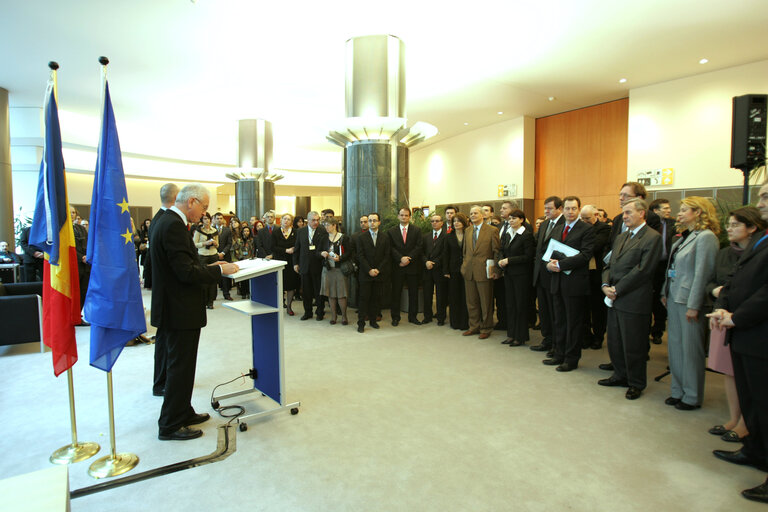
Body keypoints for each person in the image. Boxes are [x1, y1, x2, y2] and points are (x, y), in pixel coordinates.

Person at [150, 183, 239, 441]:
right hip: (178, 309)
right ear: (191, 202)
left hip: (173, 307)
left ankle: (183, 411)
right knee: (180, 367)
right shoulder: (173, 226)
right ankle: (170, 424)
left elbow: (183, 264)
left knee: (182, 366)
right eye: (204, 207)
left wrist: (211, 264)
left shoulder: (166, 221)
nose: (204, 213)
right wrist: (219, 271)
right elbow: (186, 272)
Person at [708, 181, 768, 504]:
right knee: (754, 400)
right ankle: (756, 451)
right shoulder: (761, 240)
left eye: (765, 196)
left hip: (758, 332)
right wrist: (723, 306)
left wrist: (737, 316)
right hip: (745, 333)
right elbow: (740, 279)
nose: (759, 202)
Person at [705, 207, 765, 442]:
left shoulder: (759, 249)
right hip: (723, 317)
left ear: (752, 228)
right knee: (730, 373)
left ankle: (745, 426)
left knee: (751, 383)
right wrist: (718, 299)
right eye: (728, 224)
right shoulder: (725, 253)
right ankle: (735, 418)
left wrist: (735, 314)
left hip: (746, 321)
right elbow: (723, 281)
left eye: (735, 225)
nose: (729, 229)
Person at [599, 198, 662, 399]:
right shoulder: (621, 237)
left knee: (633, 343)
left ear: (642, 213)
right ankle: (619, 374)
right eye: (623, 213)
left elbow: (643, 270)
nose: (624, 216)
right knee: (615, 340)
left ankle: (636, 382)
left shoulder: (652, 237)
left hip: (634, 298)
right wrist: (605, 285)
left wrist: (618, 288)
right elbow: (609, 264)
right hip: (614, 297)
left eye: (628, 212)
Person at [661, 196, 719, 410]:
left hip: (689, 302)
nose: (679, 213)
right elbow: (672, 268)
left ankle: (692, 396)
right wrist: (663, 292)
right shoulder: (683, 238)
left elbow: (703, 274)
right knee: (675, 348)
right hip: (674, 297)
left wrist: (694, 305)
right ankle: (677, 390)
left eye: (685, 209)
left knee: (691, 351)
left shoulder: (706, 237)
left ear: (699, 212)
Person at [545, 196, 594, 372]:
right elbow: (549, 251)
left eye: (574, 208)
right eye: (567, 208)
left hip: (574, 284)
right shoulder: (558, 229)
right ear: (563, 210)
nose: (570, 212)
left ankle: (571, 358)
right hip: (557, 281)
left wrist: (560, 265)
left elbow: (585, 255)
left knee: (573, 322)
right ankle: (559, 353)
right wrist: (549, 264)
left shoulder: (586, 229)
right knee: (559, 320)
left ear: (579, 210)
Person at [150, 182, 179, 398]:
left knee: (163, 341)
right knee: (164, 343)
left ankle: (162, 380)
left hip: (162, 293)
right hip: (168, 294)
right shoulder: (168, 222)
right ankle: (161, 383)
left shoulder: (159, 219)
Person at [530, 196, 565, 354]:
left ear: (560, 209)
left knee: (555, 311)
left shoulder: (564, 224)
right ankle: (547, 339)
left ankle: (557, 343)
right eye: (545, 208)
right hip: (541, 274)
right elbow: (539, 250)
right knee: (543, 310)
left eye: (550, 208)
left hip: (555, 274)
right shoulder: (544, 224)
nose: (546, 211)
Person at [461, 205, 500, 339]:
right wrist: (464, 266)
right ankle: (473, 326)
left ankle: (486, 327)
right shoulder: (468, 230)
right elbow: (465, 251)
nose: (472, 215)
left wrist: (495, 270)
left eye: (476, 213)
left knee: (486, 302)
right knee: (471, 301)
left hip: (484, 270)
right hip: (469, 271)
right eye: (471, 213)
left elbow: (496, 251)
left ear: (483, 215)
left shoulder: (492, 230)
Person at [498, 208, 535, 346]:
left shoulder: (526, 235)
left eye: (514, 218)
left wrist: (509, 261)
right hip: (508, 273)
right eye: (510, 218)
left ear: (521, 220)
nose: (511, 220)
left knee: (520, 305)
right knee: (511, 304)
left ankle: (520, 336)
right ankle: (511, 334)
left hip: (521, 275)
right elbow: (502, 249)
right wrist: (502, 259)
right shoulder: (507, 233)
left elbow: (528, 256)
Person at [580, 204, 611, 349]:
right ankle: (586, 336)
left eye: (587, 218)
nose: (585, 221)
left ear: (596, 216)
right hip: (582, 273)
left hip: (596, 274)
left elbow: (594, 246)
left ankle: (598, 336)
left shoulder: (604, 229)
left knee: (597, 308)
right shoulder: (579, 228)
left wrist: (582, 246)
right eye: (583, 218)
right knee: (584, 308)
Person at [387, 207, 424, 326]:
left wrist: (408, 258)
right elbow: (390, 248)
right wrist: (400, 258)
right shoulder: (391, 231)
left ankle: (413, 317)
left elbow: (419, 246)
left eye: (406, 215)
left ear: (409, 217)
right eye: (402, 215)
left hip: (412, 266)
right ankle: (395, 317)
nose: (404, 217)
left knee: (413, 293)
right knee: (396, 293)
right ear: (398, 216)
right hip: (398, 266)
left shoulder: (417, 230)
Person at [649, 198, 677, 345]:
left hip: (665, 266)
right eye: (665, 208)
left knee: (661, 298)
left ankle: (658, 331)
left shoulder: (673, 225)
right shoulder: (647, 225)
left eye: (668, 208)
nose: (669, 210)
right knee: (648, 299)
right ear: (655, 210)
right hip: (649, 266)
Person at [356, 212, 389, 333]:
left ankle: (373, 321)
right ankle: (361, 323)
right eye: (370, 220)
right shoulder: (361, 237)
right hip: (366, 273)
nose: (372, 222)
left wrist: (378, 269)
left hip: (379, 273)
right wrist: (369, 269)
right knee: (363, 298)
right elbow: (360, 256)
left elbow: (387, 256)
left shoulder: (385, 237)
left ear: (379, 222)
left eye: (374, 220)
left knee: (376, 298)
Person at [294, 211, 328, 320]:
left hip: (318, 265)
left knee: (319, 291)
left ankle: (320, 312)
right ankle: (307, 312)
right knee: (306, 292)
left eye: (317, 220)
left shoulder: (323, 231)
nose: (316, 222)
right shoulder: (300, 231)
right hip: (304, 266)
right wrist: (295, 263)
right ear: (307, 221)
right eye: (313, 220)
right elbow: (297, 248)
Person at [320, 217, 351, 325]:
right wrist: (321, 253)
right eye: (325, 225)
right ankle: (333, 316)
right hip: (328, 269)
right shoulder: (324, 238)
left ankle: (344, 316)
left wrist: (340, 258)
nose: (326, 227)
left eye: (328, 225)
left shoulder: (344, 238)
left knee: (341, 294)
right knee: (330, 294)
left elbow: (349, 253)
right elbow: (317, 251)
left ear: (334, 226)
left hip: (339, 269)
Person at [445, 213, 469, 331]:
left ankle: (465, 322)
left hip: (467, 269)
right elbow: (445, 254)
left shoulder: (469, 235)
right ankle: (455, 322)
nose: (456, 223)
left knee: (465, 296)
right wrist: (446, 270)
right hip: (453, 270)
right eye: (454, 221)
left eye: (459, 221)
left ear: (464, 222)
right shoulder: (449, 236)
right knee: (454, 296)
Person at [422, 214, 447, 325]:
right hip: (427, 269)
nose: (434, 223)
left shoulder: (446, 236)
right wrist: (426, 261)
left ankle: (441, 318)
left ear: (442, 222)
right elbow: (421, 252)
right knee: (427, 294)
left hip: (439, 269)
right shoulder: (426, 236)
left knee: (441, 295)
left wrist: (435, 263)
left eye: (437, 221)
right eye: (432, 221)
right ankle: (427, 316)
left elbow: (445, 253)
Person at [272, 213, 299, 315]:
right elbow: (273, 247)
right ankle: (279, 306)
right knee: (279, 285)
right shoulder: (275, 232)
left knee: (291, 285)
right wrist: (285, 250)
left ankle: (289, 306)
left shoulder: (296, 232)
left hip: (292, 261)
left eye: (289, 219)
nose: (286, 221)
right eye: (284, 219)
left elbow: (299, 244)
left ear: (291, 222)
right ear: (281, 220)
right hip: (279, 261)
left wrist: (293, 250)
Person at [193, 213, 219, 309]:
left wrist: (215, 243)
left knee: (212, 279)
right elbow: (194, 244)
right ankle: (203, 300)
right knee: (203, 278)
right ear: (202, 220)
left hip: (213, 255)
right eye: (205, 219)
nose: (207, 221)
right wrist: (205, 243)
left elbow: (218, 245)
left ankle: (211, 301)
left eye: (208, 219)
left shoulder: (214, 230)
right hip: (203, 255)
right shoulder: (198, 231)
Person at [213, 212, 233, 301]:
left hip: (225, 255)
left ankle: (226, 294)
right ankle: (212, 297)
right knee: (213, 276)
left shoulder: (227, 230)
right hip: (213, 255)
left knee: (225, 276)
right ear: (214, 219)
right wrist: (217, 253)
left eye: (221, 218)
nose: (219, 220)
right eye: (217, 218)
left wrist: (223, 253)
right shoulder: (211, 229)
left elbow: (229, 243)